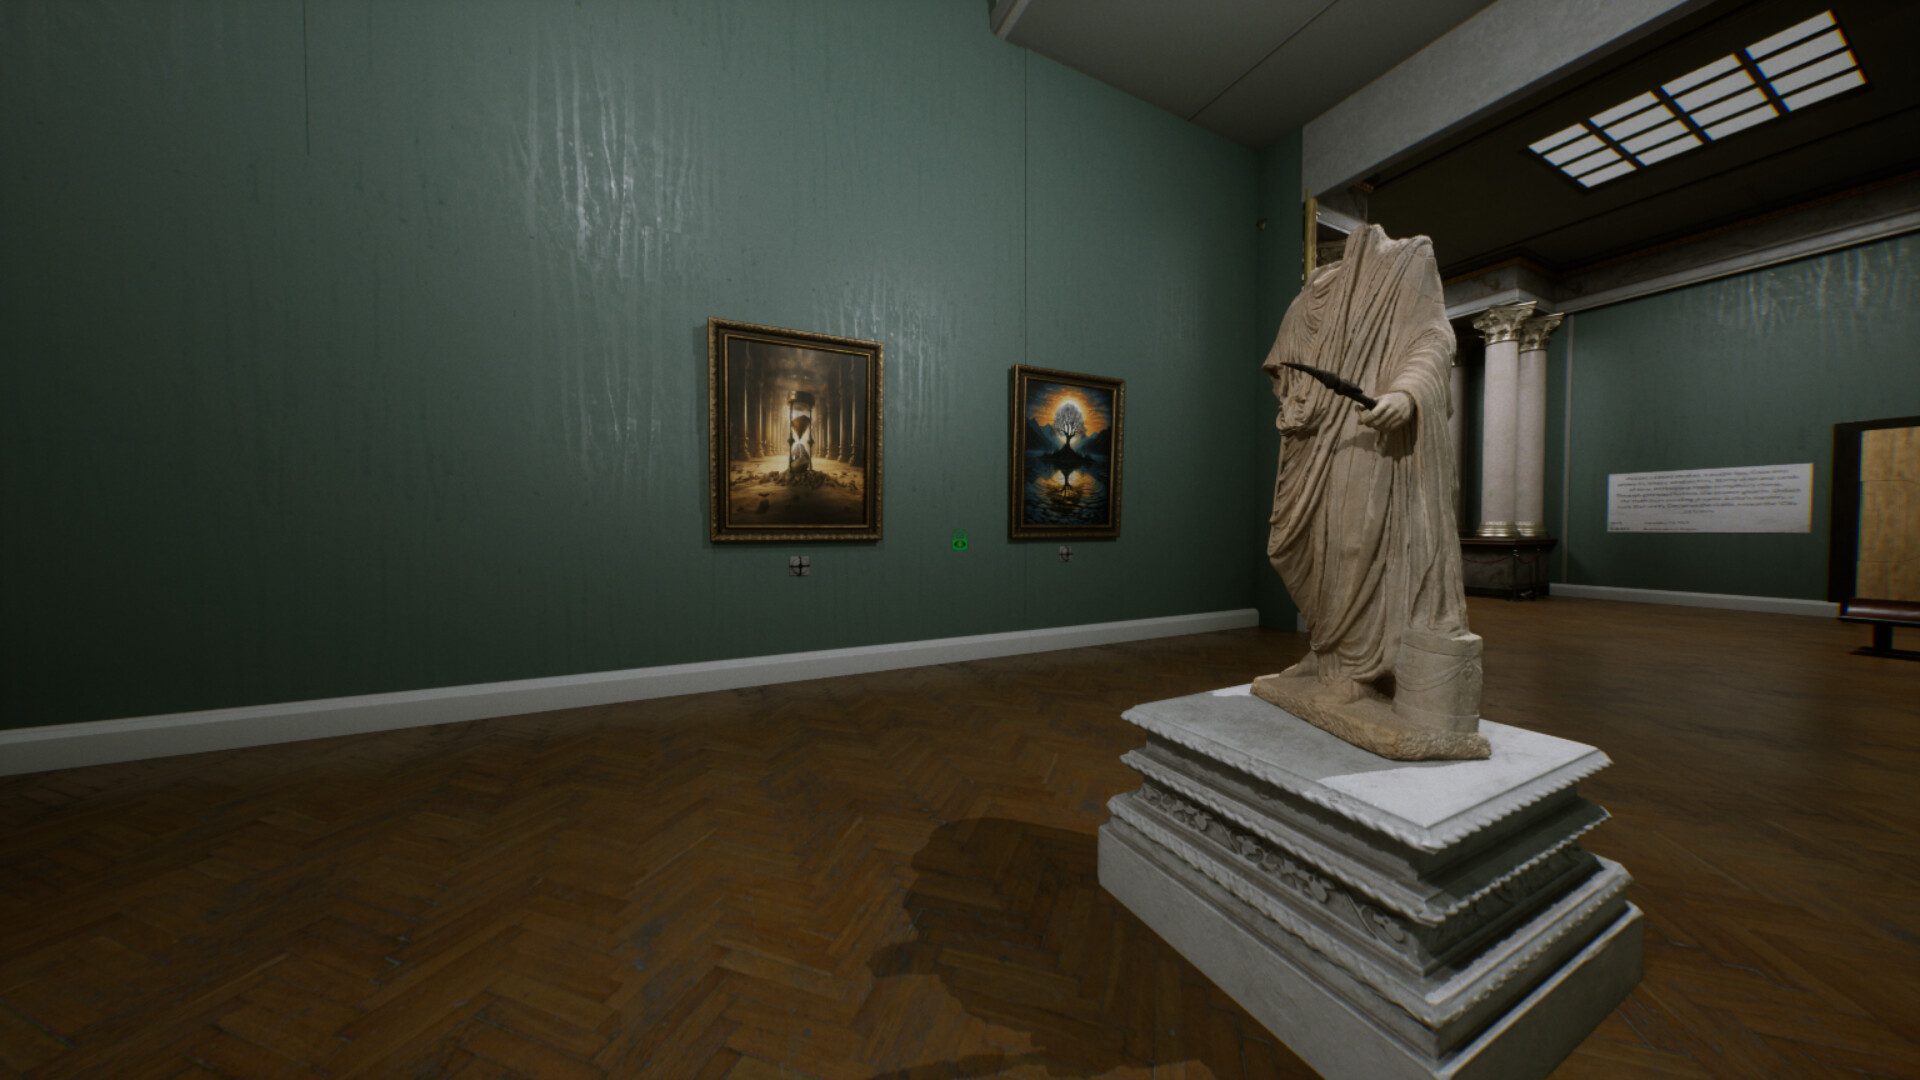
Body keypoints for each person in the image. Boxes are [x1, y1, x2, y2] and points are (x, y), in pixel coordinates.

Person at [1254, 225, 1487, 760]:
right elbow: (1284, 369)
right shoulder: (1312, 293)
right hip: (1311, 440)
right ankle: (1326, 652)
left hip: (1366, 433)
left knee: (1355, 546)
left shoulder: (1405, 262)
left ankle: (1355, 672)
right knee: (1296, 548)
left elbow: (1432, 341)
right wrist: (1295, 402)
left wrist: (1406, 394)